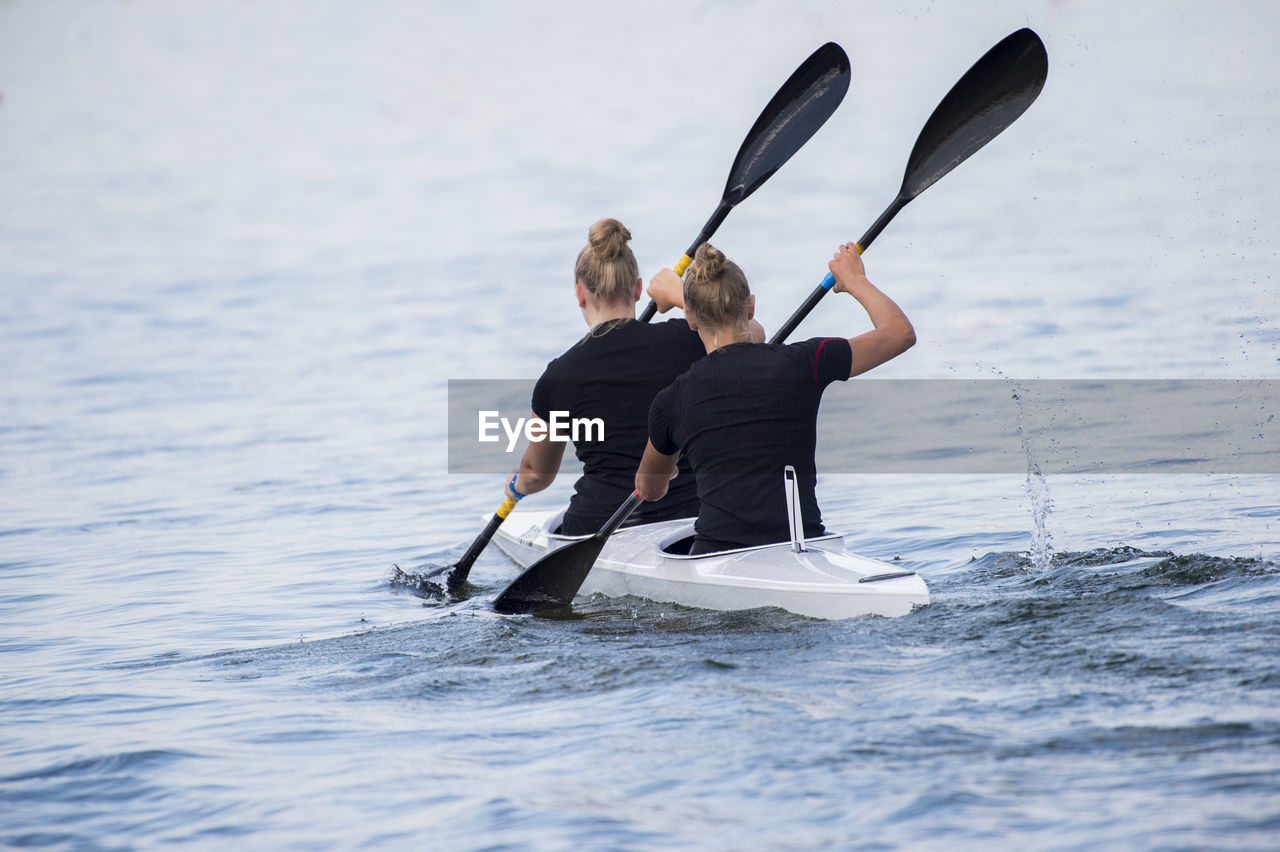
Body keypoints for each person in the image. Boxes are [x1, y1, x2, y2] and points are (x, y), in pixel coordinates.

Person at [635, 241, 915, 554]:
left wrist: (668, 469)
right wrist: (855, 282)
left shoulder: (670, 400)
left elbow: (649, 490)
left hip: (715, 553)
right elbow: (900, 333)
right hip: (803, 545)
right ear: (751, 307)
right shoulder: (806, 361)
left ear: (690, 319)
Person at [505, 219, 762, 535]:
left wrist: (517, 484)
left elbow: (538, 474)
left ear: (579, 293)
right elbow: (751, 334)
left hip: (598, 525)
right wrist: (686, 297)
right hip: (694, 519)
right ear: (639, 289)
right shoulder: (691, 337)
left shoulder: (559, 376)